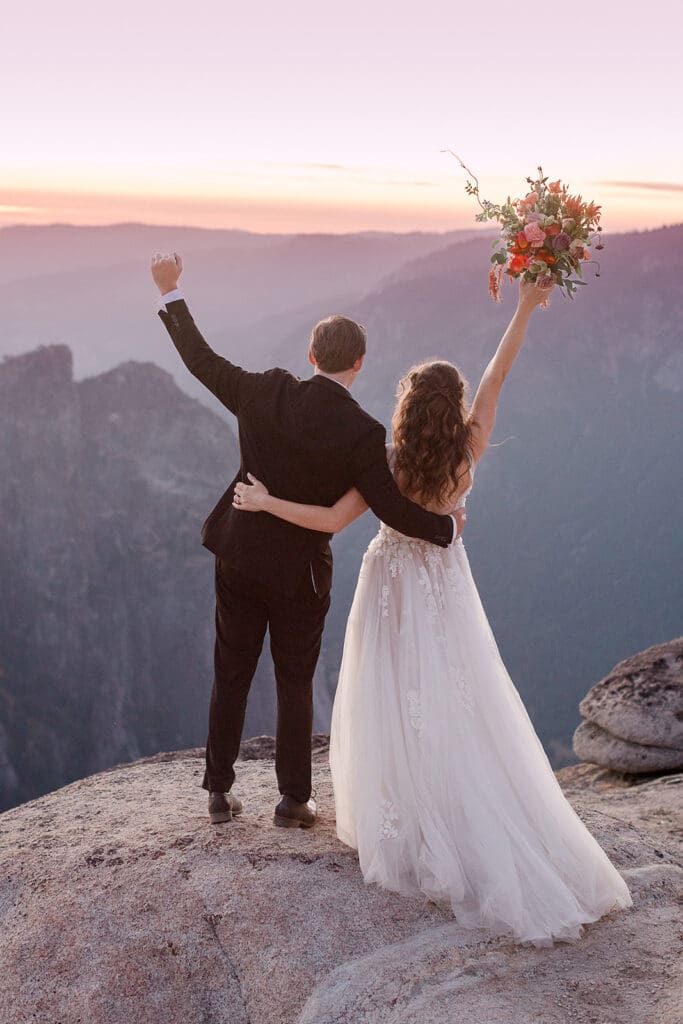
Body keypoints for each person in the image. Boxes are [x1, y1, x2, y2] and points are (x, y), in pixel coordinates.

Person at [232, 275, 634, 947]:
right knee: (456, 696)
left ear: (407, 408)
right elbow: (497, 375)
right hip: (443, 583)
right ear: (452, 410)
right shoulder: (469, 448)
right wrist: (527, 307)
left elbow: (330, 519)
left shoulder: (384, 462)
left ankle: (408, 820)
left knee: (390, 697)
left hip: (389, 582)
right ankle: (460, 810)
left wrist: (268, 503)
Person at [150, 252, 465, 829]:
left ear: (312, 356)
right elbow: (392, 510)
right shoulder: (362, 432)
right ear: (359, 364)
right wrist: (445, 527)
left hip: (239, 555)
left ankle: (219, 790)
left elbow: (201, 360)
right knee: (294, 682)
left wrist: (170, 292)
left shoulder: (264, 391)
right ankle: (294, 799)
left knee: (231, 671)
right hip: (299, 575)